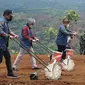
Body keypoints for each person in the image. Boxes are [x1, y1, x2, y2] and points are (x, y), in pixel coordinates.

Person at [0, 9, 19, 78]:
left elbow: (8, 31)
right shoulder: (1, 21)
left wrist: (14, 35)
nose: (11, 16)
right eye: (10, 15)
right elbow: (0, 32)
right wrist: (9, 36)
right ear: (5, 15)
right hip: (0, 45)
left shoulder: (5, 22)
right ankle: (10, 73)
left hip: (4, 45)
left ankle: (10, 73)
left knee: (8, 57)